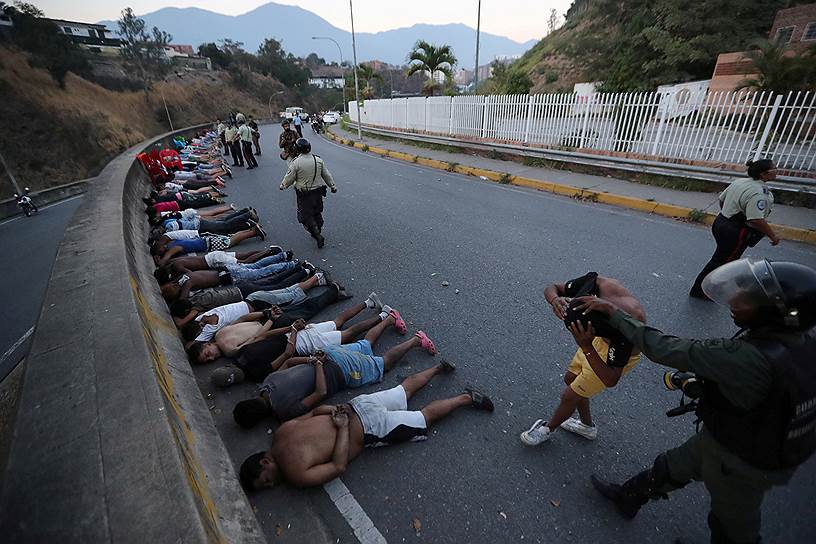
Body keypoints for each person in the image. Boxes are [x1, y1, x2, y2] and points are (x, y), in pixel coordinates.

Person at [581, 258, 816, 544]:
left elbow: (663, 347)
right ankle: (627, 497)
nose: (736, 300)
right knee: (673, 466)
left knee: (733, 527)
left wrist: (614, 313)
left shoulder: (747, 357)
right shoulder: (803, 343)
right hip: (733, 437)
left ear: (774, 315)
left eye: (749, 299)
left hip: (743, 461)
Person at [238, 364, 494, 490]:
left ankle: (467, 398)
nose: (272, 484)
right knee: (402, 390)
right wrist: (337, 413)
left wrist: (341, 427)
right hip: (356, 406)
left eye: (267, 481)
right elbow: (317, 411)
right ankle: (438, 367)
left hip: (370, 428)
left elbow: (339, 466)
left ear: (264, 463)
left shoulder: (296, 475)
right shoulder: (282, 431)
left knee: (423, 417)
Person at [231, 312, 442, 424]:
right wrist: (312, 360)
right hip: (327, 355)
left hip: (339, 371)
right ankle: (388, 319)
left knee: (382, 364)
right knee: (365, 346)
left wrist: (319, 366)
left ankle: (416, 340)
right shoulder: (266, 383)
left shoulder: (284, 412)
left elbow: (321, 392)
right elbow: (287, 362)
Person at [520, 272, 644, 446]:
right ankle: (587, 426)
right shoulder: (596, 284)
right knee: (571, 379)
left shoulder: (629, 327)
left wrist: (586, 346)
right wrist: (555, 300)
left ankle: (547, 429)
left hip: (613, 354)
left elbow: (610, 378)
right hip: (594, 342)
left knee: (569, 395)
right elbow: (552, 287)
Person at [689, 159, 781, 300]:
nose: (777, 170)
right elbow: (755, 219)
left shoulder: (740, 182)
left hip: (721, 221)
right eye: (774, 168)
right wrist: (772, 236)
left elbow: (722, 200)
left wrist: (728, 215)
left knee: (722, 258)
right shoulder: (758, 193)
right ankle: (701, 291)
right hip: (735, 231)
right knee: (722, 261)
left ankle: (710, 288)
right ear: (764, 174)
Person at [279, 138, 337, 248]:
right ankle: (318, 226)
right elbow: (326, 175)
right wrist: (333, 186)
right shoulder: (318, 160)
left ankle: (317, 234)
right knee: (317, 211)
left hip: (304, 195)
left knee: (305, 216)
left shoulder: (296, 163)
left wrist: (283, 185)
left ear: (297, 149)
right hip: (318, 193)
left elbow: (289, 178)